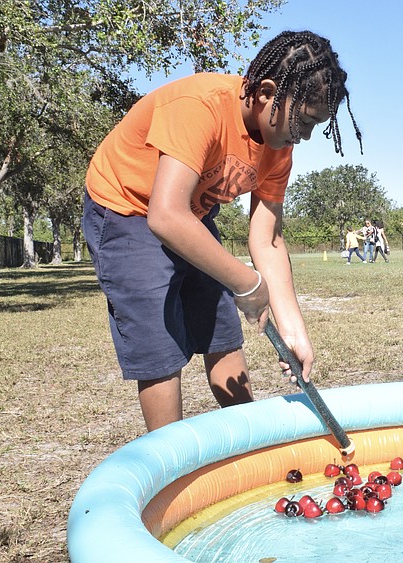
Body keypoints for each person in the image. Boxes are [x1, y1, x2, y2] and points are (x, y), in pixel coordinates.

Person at [82, 30, 362, 432]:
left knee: (221, 331)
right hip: (128, 208)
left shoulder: (278, 147)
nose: (305, 135)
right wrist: (247, 284)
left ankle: (247, 438)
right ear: (267, 92)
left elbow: (268, 237)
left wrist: (293, 329)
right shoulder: (200, 107)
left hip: (189, 213)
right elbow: (165, 216)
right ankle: (172, 466)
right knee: (160, 345)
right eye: (304, 120)